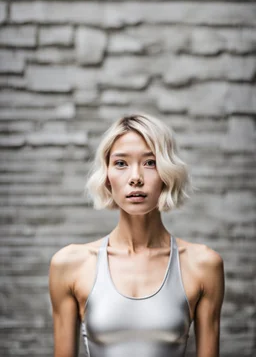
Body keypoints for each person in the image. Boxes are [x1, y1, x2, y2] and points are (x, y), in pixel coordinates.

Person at [49, 113, 225, 357]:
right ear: (107, 176)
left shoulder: (203, 265)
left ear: (167, 174)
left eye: (150, 162)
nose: (135, 178)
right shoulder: (70, 264)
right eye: (121, 163)